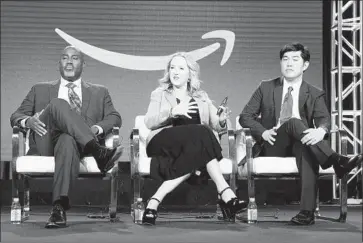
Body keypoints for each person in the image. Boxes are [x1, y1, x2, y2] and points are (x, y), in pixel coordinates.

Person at [239, 42, 363, 225]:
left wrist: (321, 130)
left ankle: (306, 213)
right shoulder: (265, 87)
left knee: (307, 149)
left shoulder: (314, 93)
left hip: (301, 143)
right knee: (294, 123)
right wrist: (263, 132)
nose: (289, 64)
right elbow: (245, 116)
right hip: (273, 142)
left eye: (295, 59)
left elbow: (324, 120)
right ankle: (337, 161)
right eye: (285, 59)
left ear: (305, 65)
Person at [10, 46, 123, 228]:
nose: (69, 61)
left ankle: (58, 208)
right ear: (59, 63)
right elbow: (15, 116)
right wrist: (27, 122)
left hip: (76, 146)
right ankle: (97, 151)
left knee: (67, 139)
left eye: (75, 58)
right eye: (64, 57)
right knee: (57, 104)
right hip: (44, 140)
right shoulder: (40, 89)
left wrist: (96, 128)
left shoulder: (100, 92)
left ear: (83, 64)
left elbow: (115, 117)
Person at [142, 52, 247, 225]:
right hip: (162, 141)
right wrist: (171, 112)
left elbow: (218, 124)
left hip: (190, 149)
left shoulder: (201, 97)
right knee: (202, 133)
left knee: (196, 150)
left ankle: (153, 202)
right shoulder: (160, 93)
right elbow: (149, 121)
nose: (175, 72)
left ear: (190, 74)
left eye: (181, 68)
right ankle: (226, 192)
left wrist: (221, 121)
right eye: (172, 68)